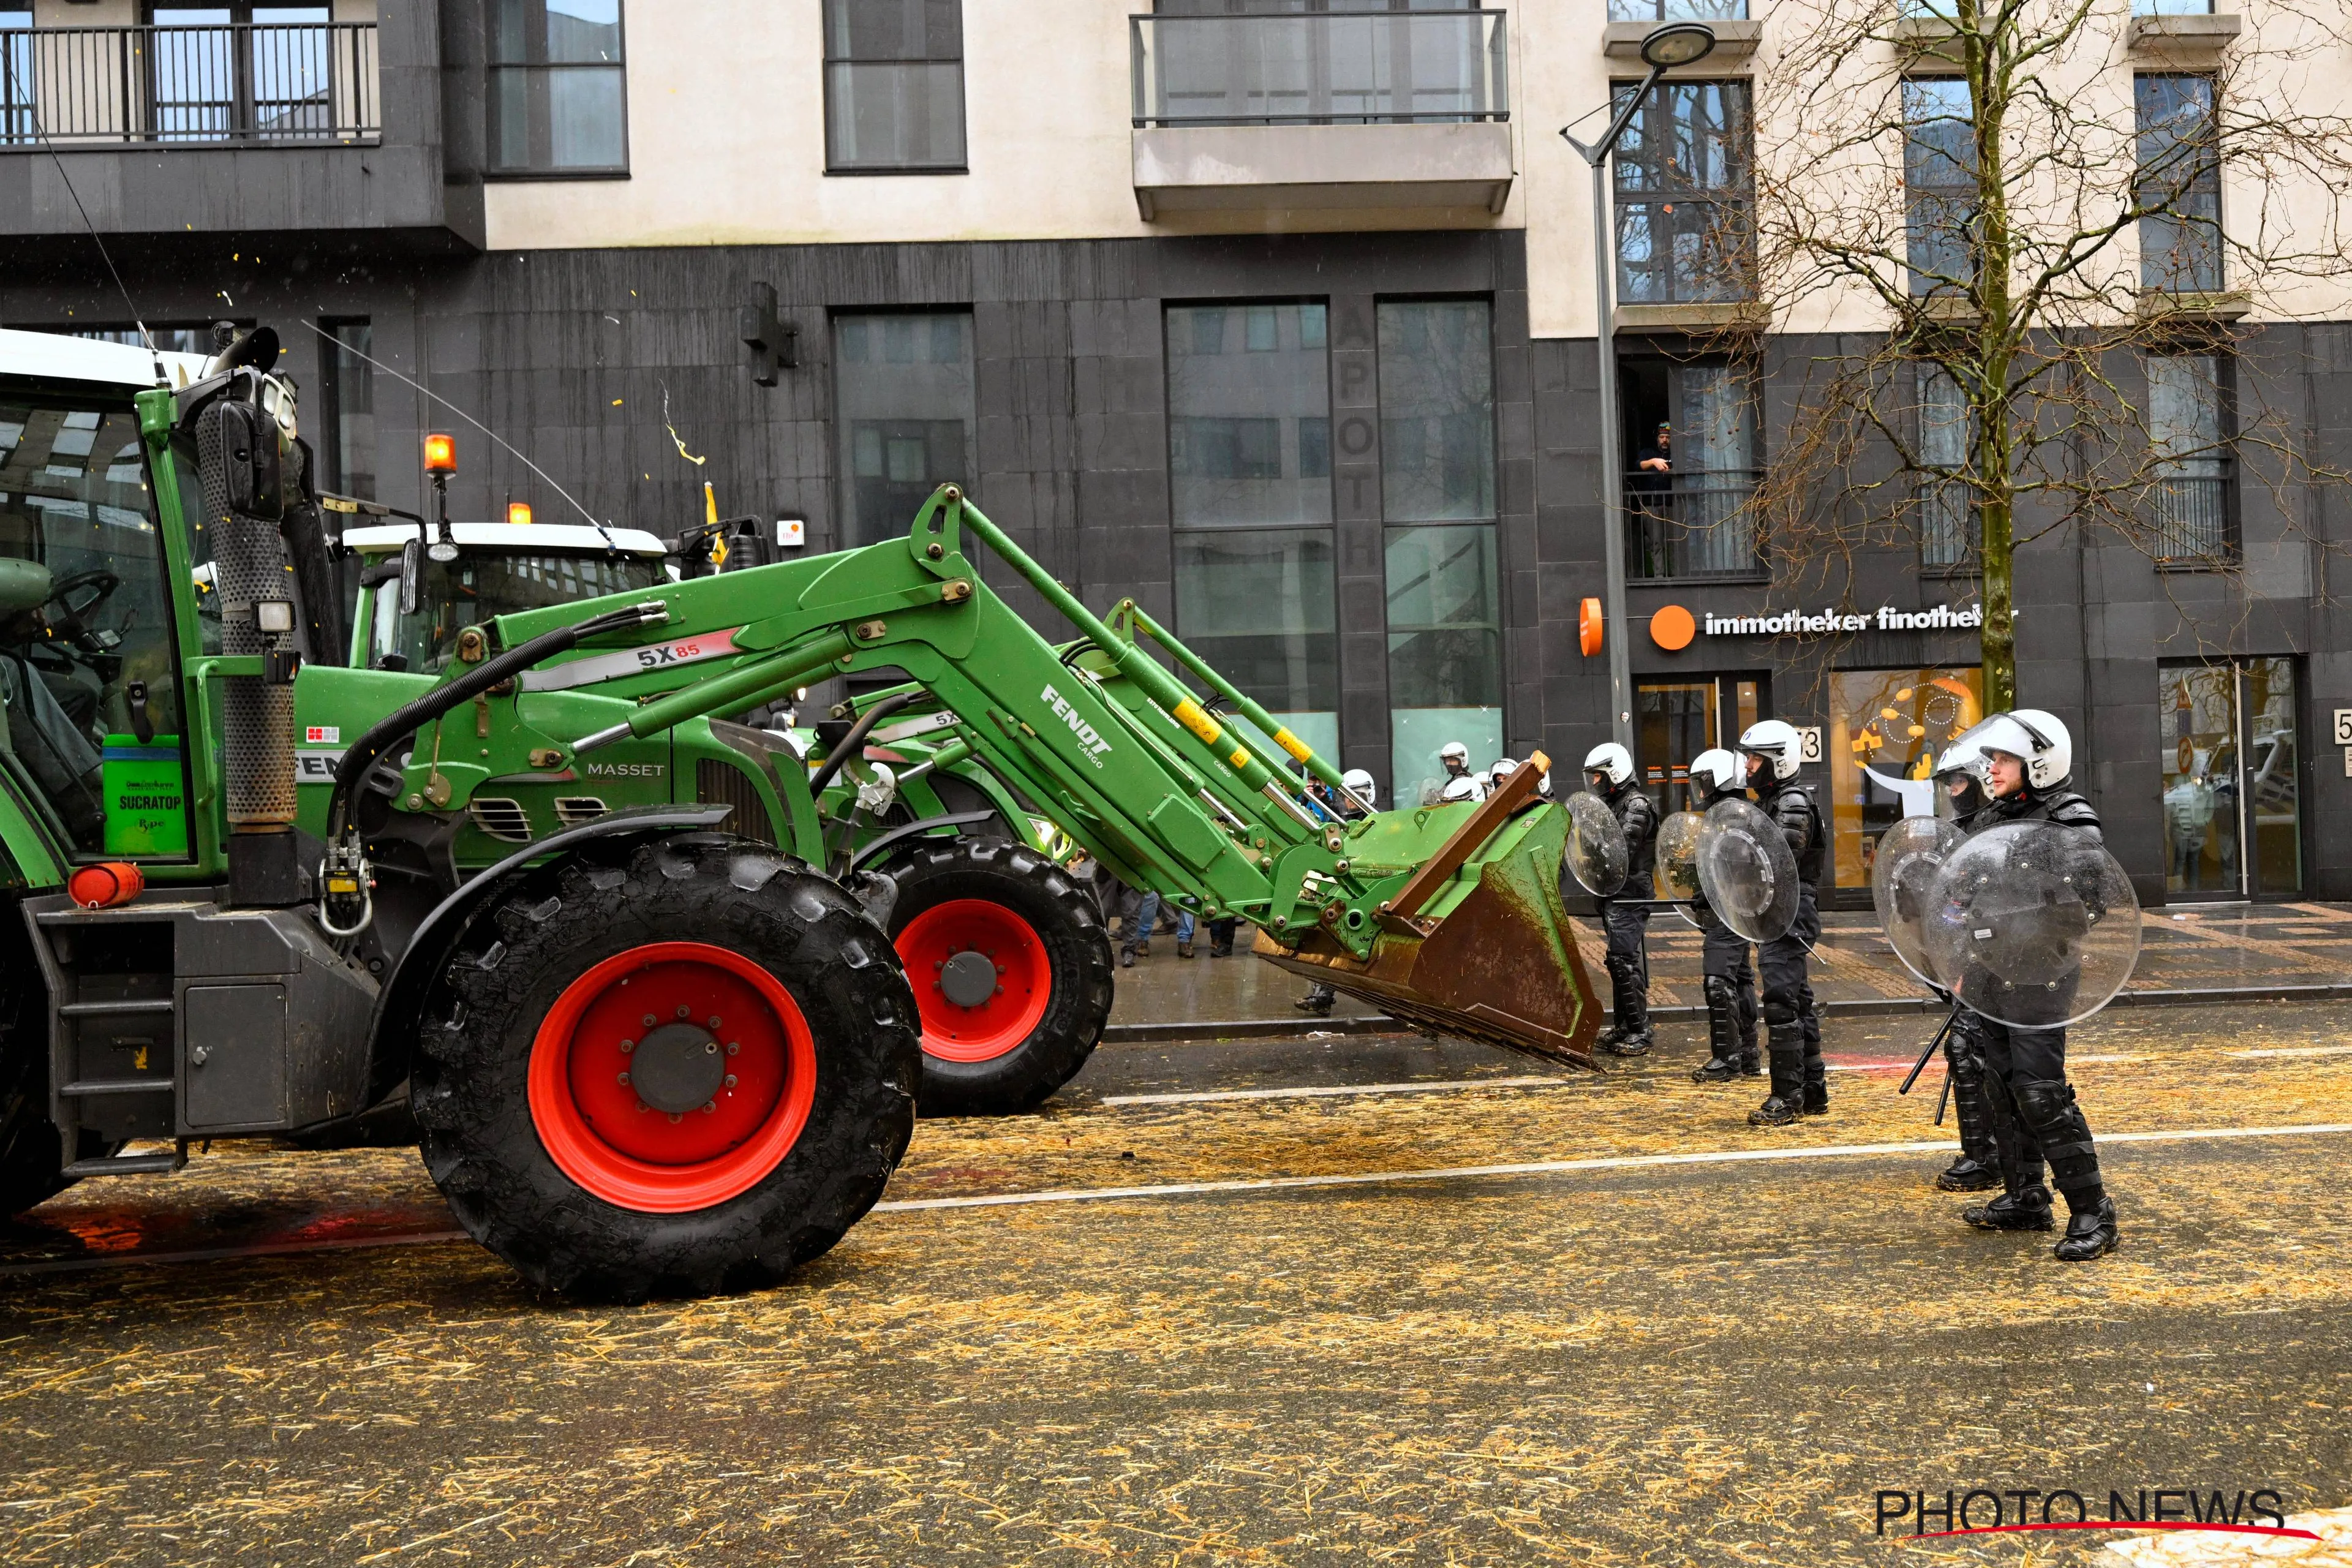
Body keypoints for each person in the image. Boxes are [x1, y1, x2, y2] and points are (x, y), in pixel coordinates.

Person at [1955, 709, 2120, 1262]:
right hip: (1991, 969)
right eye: (1992, 758)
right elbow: (1963, 894)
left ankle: (2094, 1211)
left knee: (2039, 1091)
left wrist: (2024, 920)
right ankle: (2027, 1195)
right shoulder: (1992, 817)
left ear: (2039, 763)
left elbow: (2091, 902)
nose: (1992, 768)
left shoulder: (2071, 820)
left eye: (2003, 759)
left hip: (2041, 971)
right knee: (1999, 1084)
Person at [1738, 718, 1828, 1127]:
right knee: (1799, 1000)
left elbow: (1779, 862)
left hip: (1789, 910)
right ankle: (1814, 1091)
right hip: (1777, 910)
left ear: (1779, 761)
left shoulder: (1792, 802)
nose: (1750, 765)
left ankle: (1787, 1098)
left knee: (1781, 1003)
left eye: (1757, 758)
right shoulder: (1770, 802)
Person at [1926, 739, 2002, 1193]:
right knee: (1967, 1052)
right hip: (1971, 957)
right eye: (1947, 783)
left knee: (1974, 1051)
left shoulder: (1998, 829)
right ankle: (1982, 1151)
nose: (1953, 791)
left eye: (1959, 781)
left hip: (2002, 959)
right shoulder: (1966, 834)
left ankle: (1989, 1157)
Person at [1685, 748, 1760, 1084]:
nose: (1700, 791)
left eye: (1704, 782)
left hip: (1731, 908)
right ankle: (1747, 1056)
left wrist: (1710, 893)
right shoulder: (1732, 813)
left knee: (1718, 981)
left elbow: (1737, 868)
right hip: (1735, 909)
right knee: (1740, 978)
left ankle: (1726, 1059)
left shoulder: (1734, 816)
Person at [1583, 741, 1659, 1057]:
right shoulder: (1616, 803)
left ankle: (1641, 1031)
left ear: (1615, 772)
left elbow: (1620, 851)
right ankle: (1626, 1026)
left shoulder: (1637, 806)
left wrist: (1597, 849)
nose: (1596, 782)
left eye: (1599, 776)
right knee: (1621, 961)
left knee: (1622, 960)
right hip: (1616, 893)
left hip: (1632, 895)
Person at [1297, 768, 1377, 1014]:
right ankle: (1321, 996)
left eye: (1356, 796)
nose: (1350, 801)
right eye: (1348, 796)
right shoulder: (1341, 823)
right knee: (1329, 938)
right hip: (1345, 889)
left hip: (1370, 892)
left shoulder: (1378, 821)